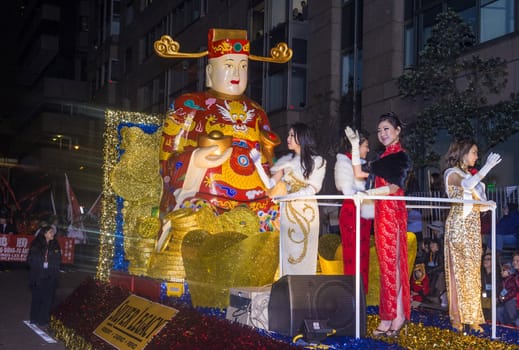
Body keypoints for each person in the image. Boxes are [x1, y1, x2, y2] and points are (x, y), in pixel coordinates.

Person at [156, 28, 291, 233]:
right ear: (210, 73)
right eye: (229, 65)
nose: (237, 74)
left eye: (243, 66)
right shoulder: (189, 105)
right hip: (206, 197)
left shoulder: (257, 111)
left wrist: (277, 183)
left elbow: (267, 160)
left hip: (258, 202)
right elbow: (166, 161)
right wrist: (195, 159)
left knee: (286, 221)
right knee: (195, 222)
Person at [346, 112, 413, 337]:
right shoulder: (382, 158)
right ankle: (396, 314)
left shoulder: (401, 157)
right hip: (381, 213)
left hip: (393, 214)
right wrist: (355, 146)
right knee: (388, 267)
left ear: (397, 130)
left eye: (386, 129)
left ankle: (392, 316)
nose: (382, 134)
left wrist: (369, 192)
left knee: (392, 267)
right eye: (379, 130)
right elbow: (358, 172)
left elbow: (394, 188)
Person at [443, 138, 502, 333]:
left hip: (473, 228)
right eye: (474, 152)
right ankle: (457, 318)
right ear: (463, 153)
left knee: (473, 275)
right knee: (458, 273)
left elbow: (480, 203)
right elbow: (466, 185)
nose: (477, 156)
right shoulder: (452, 173)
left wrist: (489, 204)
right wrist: (486, 168)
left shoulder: (472, 176)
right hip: (458, 227)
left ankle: (473, 318)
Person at [252, 122, 326, 275]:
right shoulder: (285, 163)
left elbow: (313, 188)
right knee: (288, 251)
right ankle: (289, 289)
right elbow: (270, 184)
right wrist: (258, 165)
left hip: (307, 211)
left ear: (302, 137)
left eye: (292, 135)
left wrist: (291, 196)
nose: (288, 138)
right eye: (289, 135)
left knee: (306, 250)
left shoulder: (318, 161)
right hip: (288, 212)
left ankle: (305, 288)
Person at [334, 128, 373, 293]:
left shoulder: (363, 165)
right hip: (352, 213)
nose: (368, 149)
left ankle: (361, 298)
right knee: (352, 256)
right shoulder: (343, 163)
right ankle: (352, 296)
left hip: (363, 214)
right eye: (366, 146)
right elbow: (347, 190)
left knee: (363, 256)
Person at [27, 225, 62, 328]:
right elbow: (31, 260)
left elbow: (58, 258)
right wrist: (42, 263)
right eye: (50, 232)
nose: (53, 234)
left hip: (50, 274)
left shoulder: (55, 244)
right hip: (38, 275)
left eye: (53, 232)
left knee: (48, 298)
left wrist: (52, 264)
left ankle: (43, 319)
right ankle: (34, 318)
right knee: (37, 297)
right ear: (44, 233)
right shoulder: (36, 244)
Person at [497, 253, 519, 326]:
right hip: (512, 303)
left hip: (514, 302)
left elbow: (515, 290)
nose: (515, 262)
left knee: (511, 302)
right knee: (499, 311)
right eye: (514, 260)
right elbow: (507, 288)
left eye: (517, 261)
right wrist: (501, 296)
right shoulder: (512, 275)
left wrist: (505, 298)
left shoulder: (513, 275)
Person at [481, 252, 503, 320]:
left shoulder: (497, 273)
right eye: (484, 259)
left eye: (488, 259)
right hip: (483, 298)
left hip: (493, 299)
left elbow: (499, 286)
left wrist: (496, 297)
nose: (485, 261)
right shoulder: (481, 273)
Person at [425, 239, 445, 303]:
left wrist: (432, 271)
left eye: (433, 244)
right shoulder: (431, 254)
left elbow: (441, 266)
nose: (431, 245)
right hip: (432, 271)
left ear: (438, 246)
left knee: (438, 278)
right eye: (431, 244)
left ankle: (436, 296)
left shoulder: (440, 254)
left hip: (438, 272)